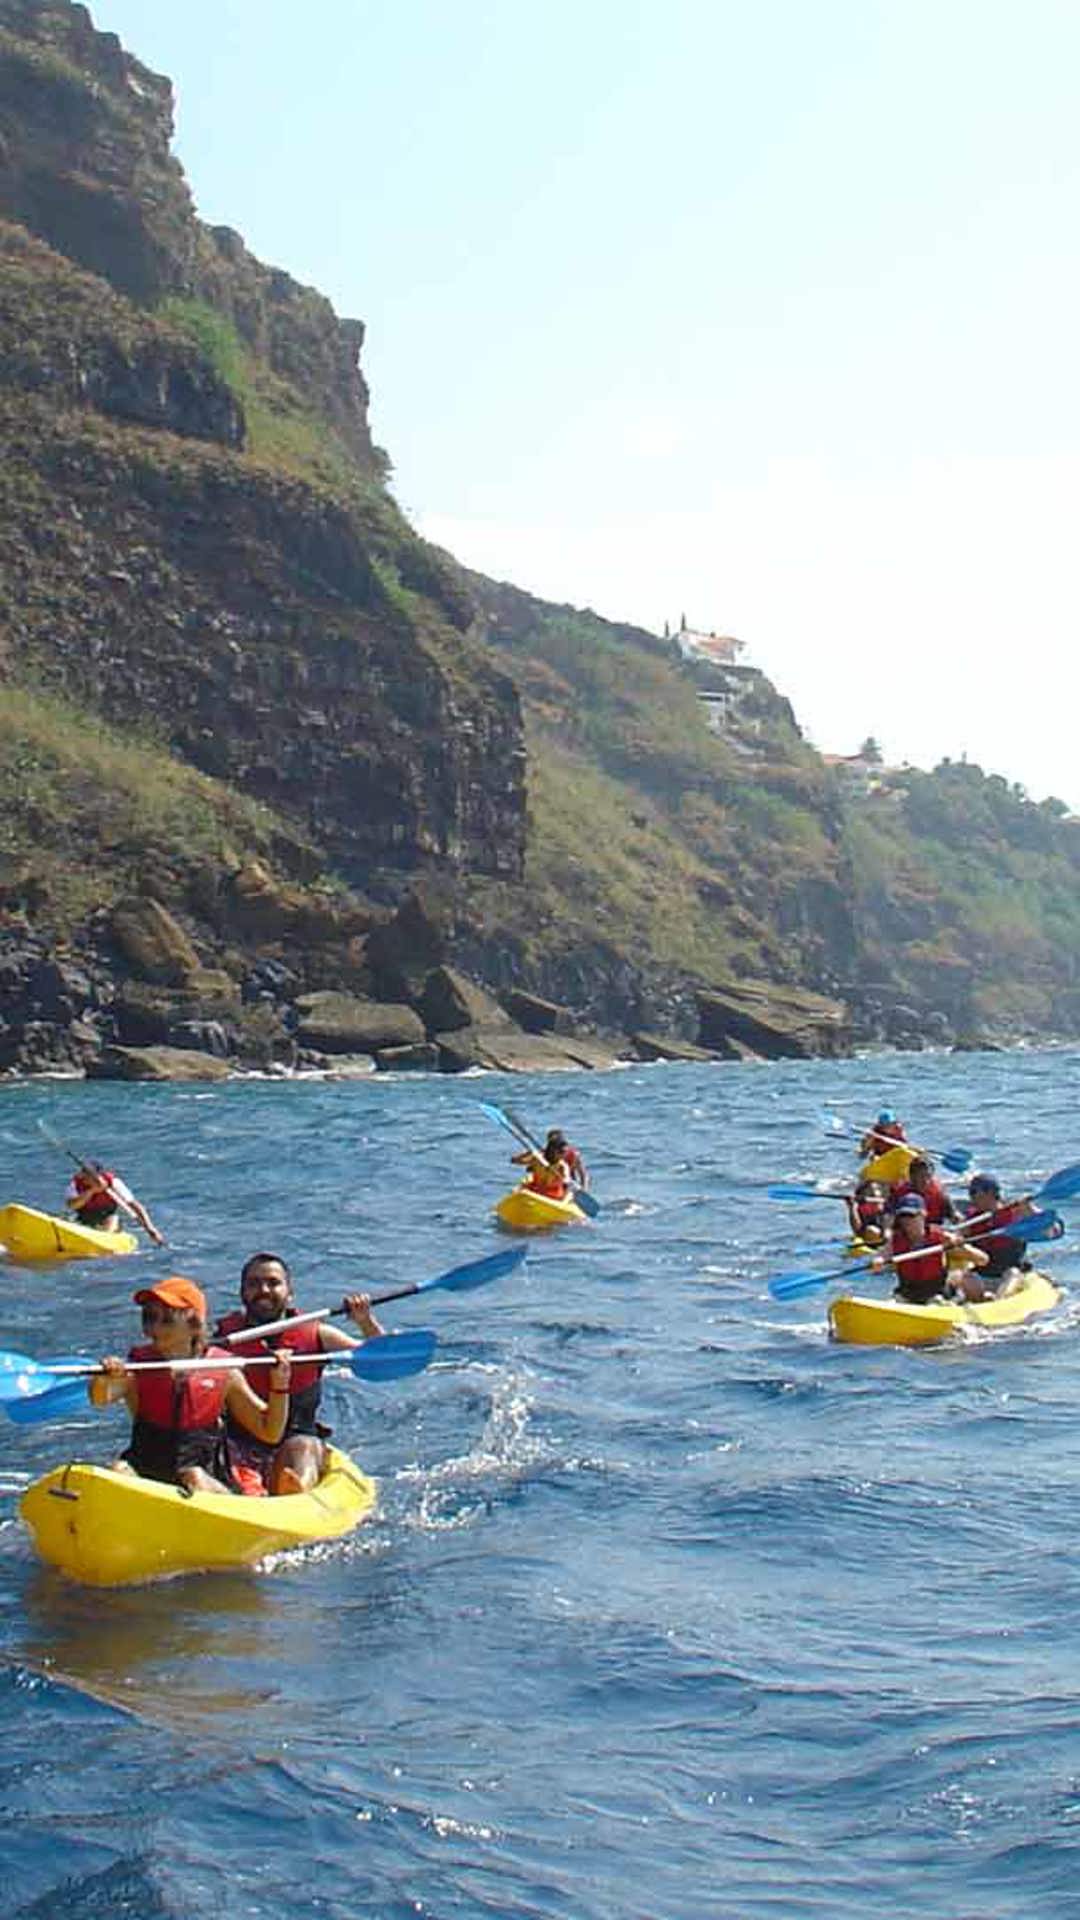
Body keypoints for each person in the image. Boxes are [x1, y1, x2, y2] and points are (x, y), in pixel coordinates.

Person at [89, 1276, 292, 1494]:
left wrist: (280, 1385)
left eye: (166, 1319)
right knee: (118, 1470)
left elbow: (269, 1432)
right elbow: (100, 1399)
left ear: (194, 1325)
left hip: (204, 1474)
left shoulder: (225, 1372)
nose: (153, 1327)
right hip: (146, 1472)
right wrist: (104, 1379)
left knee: (193, 1477)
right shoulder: (137, 1369)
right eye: (149, 1317)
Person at [214, 1253, 383, 1495]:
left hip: (296, 1439)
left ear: (289, 1293)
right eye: (253, 1284)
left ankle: (295, 1491)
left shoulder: (318, 1335)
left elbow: (377, 1360)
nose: (263, 1289)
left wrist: (365, 1322)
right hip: (238, 1443)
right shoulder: (222, 1340)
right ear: (242, 1293)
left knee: (301, 1448)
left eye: (273, 1283)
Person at [872, 1194, 989, 1305]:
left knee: (969, 1282)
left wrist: (960, 1247)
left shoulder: (940, 1237)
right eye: (903, 1216)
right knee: (893, 1302)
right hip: (907, 1294)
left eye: (911, 1215)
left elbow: (983, 1260)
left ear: (923, 1214)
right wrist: (878, 1261)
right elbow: (881, 1257)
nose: (906, 1221)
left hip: (936, 1294)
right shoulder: (896, 1240)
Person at [66, 1160, 165, 1246]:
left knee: (113, 1219)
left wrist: (150, 1228)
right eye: (83, 1172)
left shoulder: (113, 1183)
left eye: (88, 1174)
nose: (84, 1176)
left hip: (108, 1215)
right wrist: (92, 1191)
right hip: (84, 1215)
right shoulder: (75, 1184)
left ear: (98, 1175)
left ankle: (106, 1237)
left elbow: (134, 1205)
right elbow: (71, 1205)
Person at [963, 1175, 1036, 1288]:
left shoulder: (1015, 1213)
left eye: (974, 1192)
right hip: (983, 1272)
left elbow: (1050, 1230)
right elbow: (961, 1241)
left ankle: (1001, 1298)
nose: (971, 1197)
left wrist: (1030, 1209)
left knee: (1013, 1274)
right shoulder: (971, 1219)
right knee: (966, 1277)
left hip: (1011, 1270)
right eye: (970, 1192)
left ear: (991, 1193)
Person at [888, 1156, 956, 1227]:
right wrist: (887, 1231)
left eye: (928, 1176)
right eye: (921, 1176)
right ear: (912, 1176)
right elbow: (888, 1214)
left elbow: (953, 1216)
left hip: (933, 1233)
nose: (925, 1181)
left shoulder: (940, 1193)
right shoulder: (899, 1193)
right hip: (907, 1233)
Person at [845, 1180, 888, 1246]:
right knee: (870, 1230)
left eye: (876, 1189)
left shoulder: (886, 1203)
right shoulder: (860, 1208)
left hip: (885, 1236)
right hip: (869, 1237)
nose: (875, 1192)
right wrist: (852, 1207)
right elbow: (857, 1230)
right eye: (870, 1192)